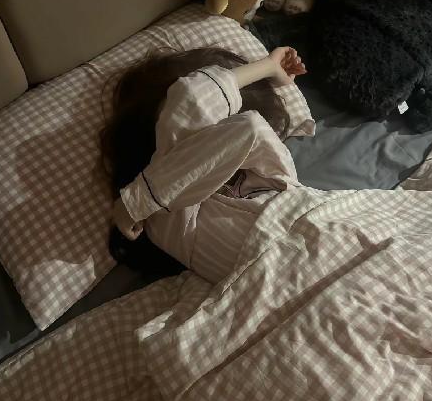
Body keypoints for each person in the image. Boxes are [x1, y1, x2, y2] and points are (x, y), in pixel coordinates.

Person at [100, 47, 306, 283]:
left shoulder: (278, 174)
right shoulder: (167, 221)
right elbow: (193, 99)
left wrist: (269, 67)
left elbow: (249, 127)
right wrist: (136, 204)